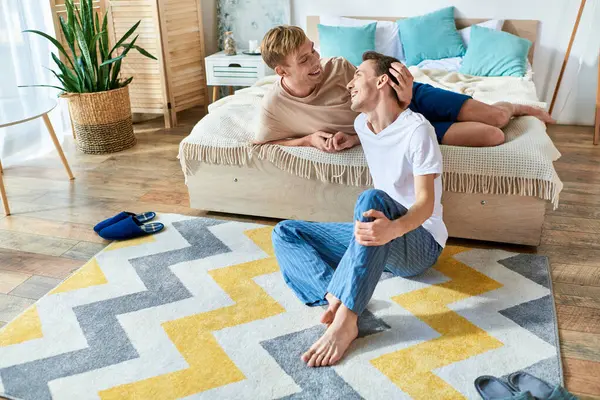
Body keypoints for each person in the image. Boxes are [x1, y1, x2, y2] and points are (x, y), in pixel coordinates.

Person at [272, 51, 446, 367]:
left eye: (358, 76)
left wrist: (392, 228)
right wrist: (347, 138)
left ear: (382, 81)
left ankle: (347, 320)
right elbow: (378, 129)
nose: (349, 84)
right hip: (379, 237)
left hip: (419, 242)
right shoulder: (361, 125)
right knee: (285, 231)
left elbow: (425, 204)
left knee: (370, 200)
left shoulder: (418, 131)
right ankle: (336, 297)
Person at [255, 25, 554, 149]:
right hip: (396, 126)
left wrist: (405, 97)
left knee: (498, 118)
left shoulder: (337, 67)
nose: (317, 62)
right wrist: (306, 140)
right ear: (281, 70)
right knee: (492, 136)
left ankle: (512, 105)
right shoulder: (275, 107)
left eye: (313, 50)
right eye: (305, 60)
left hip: (409, 97)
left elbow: (379, 95)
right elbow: (263, 145)